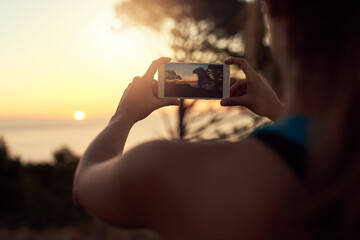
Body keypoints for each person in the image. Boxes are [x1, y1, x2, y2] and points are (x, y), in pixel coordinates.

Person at [73, 0, 360, 239]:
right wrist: (277, 111)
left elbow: (85, 182)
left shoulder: (162, 169)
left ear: (276, 9)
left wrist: (123, 116)